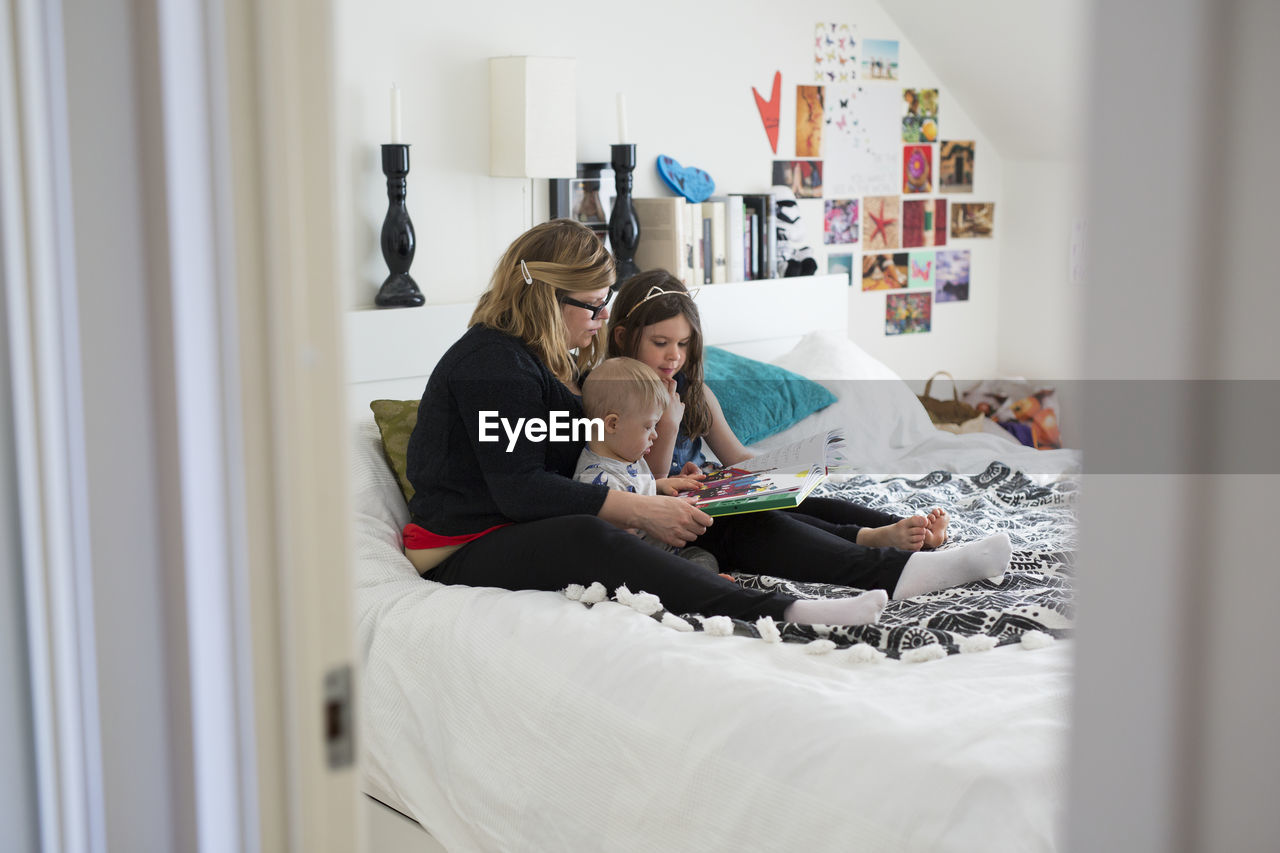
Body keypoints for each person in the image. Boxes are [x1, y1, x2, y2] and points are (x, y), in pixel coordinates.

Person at [402, 219, 1010, 627]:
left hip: (523, 520)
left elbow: (563, 452)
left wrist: (652, 490)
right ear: (546, 297)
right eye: (592, 306)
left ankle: (895, 571)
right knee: (596, 537)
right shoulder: (490, 363)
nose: (598, 319)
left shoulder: (539, 359)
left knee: (708, 511)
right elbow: (518, 487)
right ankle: (775, 610)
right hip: (464, 546)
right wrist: (640, 508)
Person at [606, 269, 948, 552]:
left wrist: (790, 470)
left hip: (709, 488)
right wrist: (668, 426)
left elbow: (737, 456)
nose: (674, 356)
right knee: (774, 520)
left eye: (683, 344)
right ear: (623, 337)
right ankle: (866, 540)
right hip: (674, 514)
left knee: (801, 501)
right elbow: (647, 486)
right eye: (661, 343)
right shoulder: (614, 396)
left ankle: (901, 524)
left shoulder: (694, 392)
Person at [573, 356, 722, 576]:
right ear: (613, 424)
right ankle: (701, 587)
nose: (655, 435)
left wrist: (663, 485)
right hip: (644, 564)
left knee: (704, 555)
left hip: (665, 553)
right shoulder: (598, 480)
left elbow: (636, 488)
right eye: (649, 426)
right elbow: (624, 548)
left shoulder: (624, 455)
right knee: (702, 561)